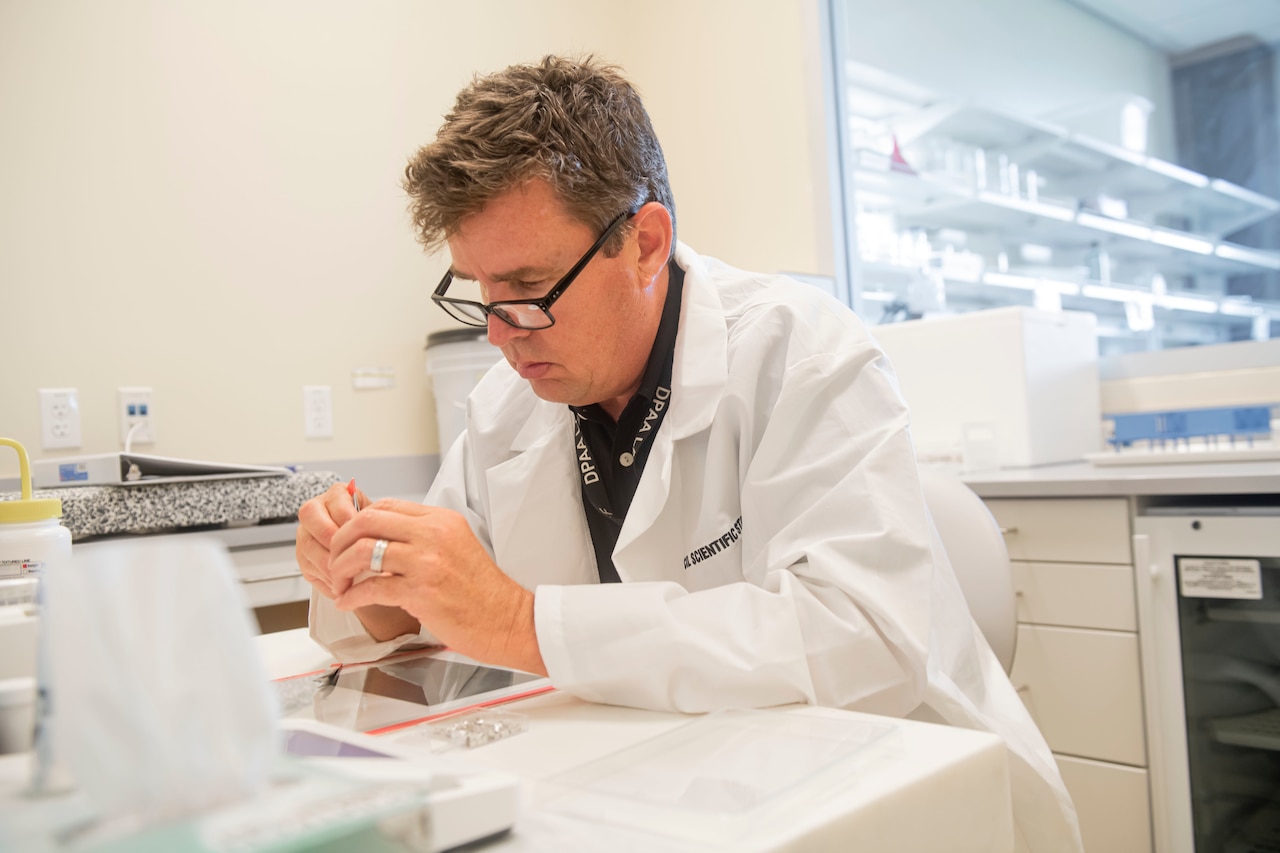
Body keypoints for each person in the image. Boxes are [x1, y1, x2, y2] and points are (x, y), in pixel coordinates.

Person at [295, 55, 1082, 851]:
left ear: (643, 243)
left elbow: (865, 642)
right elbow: (449, 606)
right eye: (480, 292)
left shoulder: (798, 354)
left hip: (896, 795)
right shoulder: (507, 409)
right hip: (660, 787)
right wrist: (382, 584)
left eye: (529, 289)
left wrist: (525, 622)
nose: (499, 334)